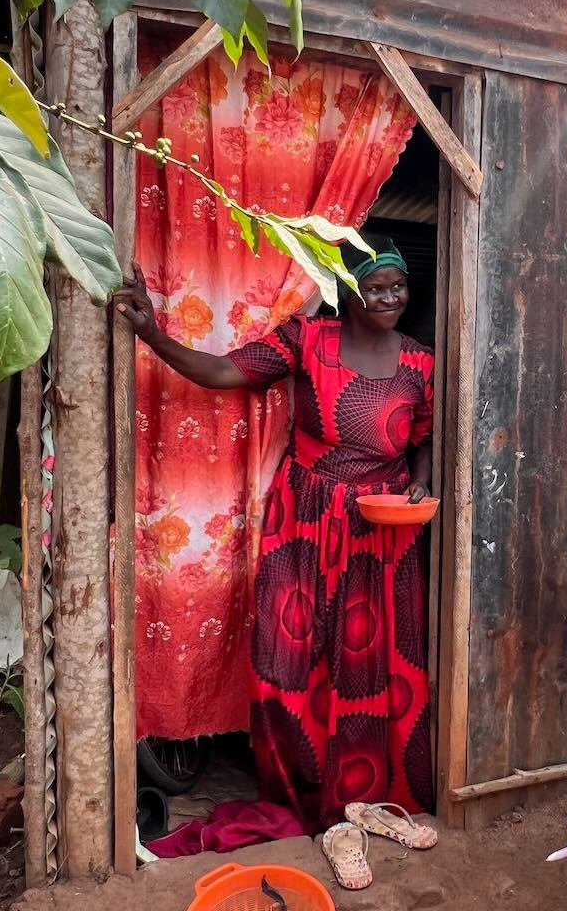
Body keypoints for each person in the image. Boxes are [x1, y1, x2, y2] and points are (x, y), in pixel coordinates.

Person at [115, 234, 436, 835]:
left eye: (397, 286)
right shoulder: (309, 340)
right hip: (306, 518)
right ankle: (303, 792)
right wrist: (152, 334)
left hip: (383, 529)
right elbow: (220, 372)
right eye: (375, 288)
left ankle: (368, 796)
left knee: (374, 663)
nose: (389, 296)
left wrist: (417, 484)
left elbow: (422, 438)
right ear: (349, 294)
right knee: (287, 660)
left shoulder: (420, 362)